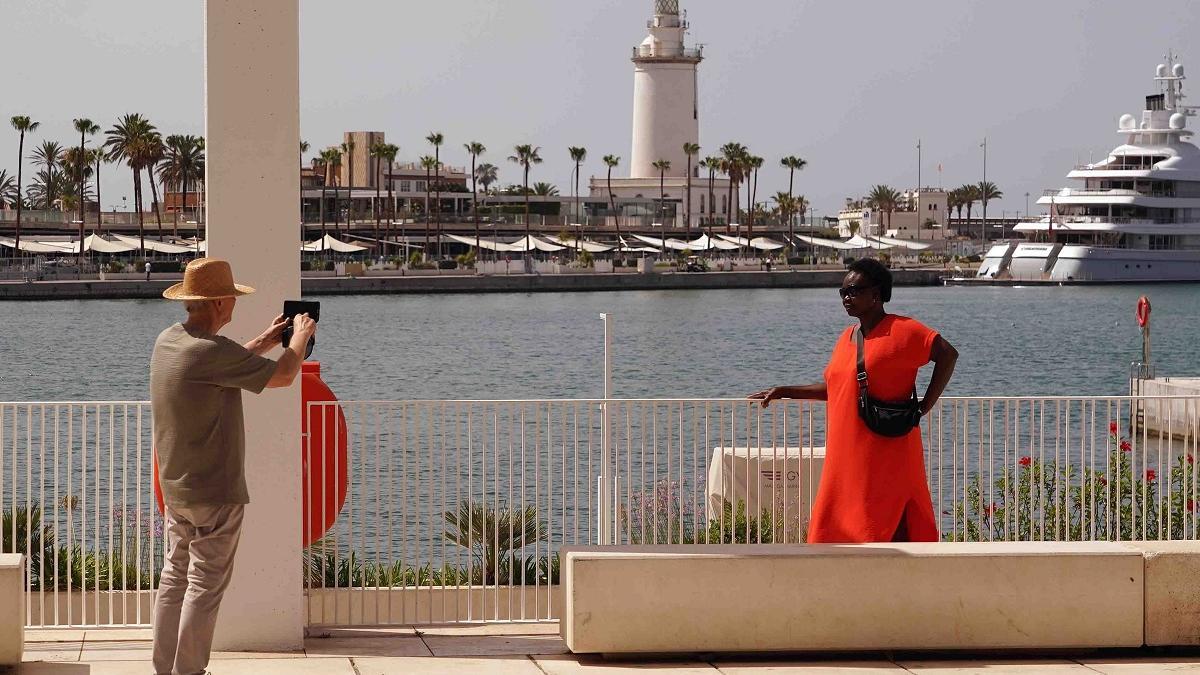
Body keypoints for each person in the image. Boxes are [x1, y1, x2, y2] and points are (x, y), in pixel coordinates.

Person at [149, 257, 316, 675]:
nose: (235, 305)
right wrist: (299, 338)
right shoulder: (213, 351)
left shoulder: (169, 341)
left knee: (174, 577)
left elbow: (218, 366)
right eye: (233, 298)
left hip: (177, 488)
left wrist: (263, 341)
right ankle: (189, 671)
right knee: (204, 585)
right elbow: (284, 376)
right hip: (214, 492)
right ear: (219, 303)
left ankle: (163, 668)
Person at [749, 258, 957, 543]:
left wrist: (925, 405)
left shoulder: (903, 329)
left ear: (876, 294)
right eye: (843, 292)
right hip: (847, 449)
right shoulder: (847, 337)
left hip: (887, 450)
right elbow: (839, 388)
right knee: (839, 522)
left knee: (888, 522)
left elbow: (948, 354)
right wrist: (785, 390)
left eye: (854, 291)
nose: (846, 297)